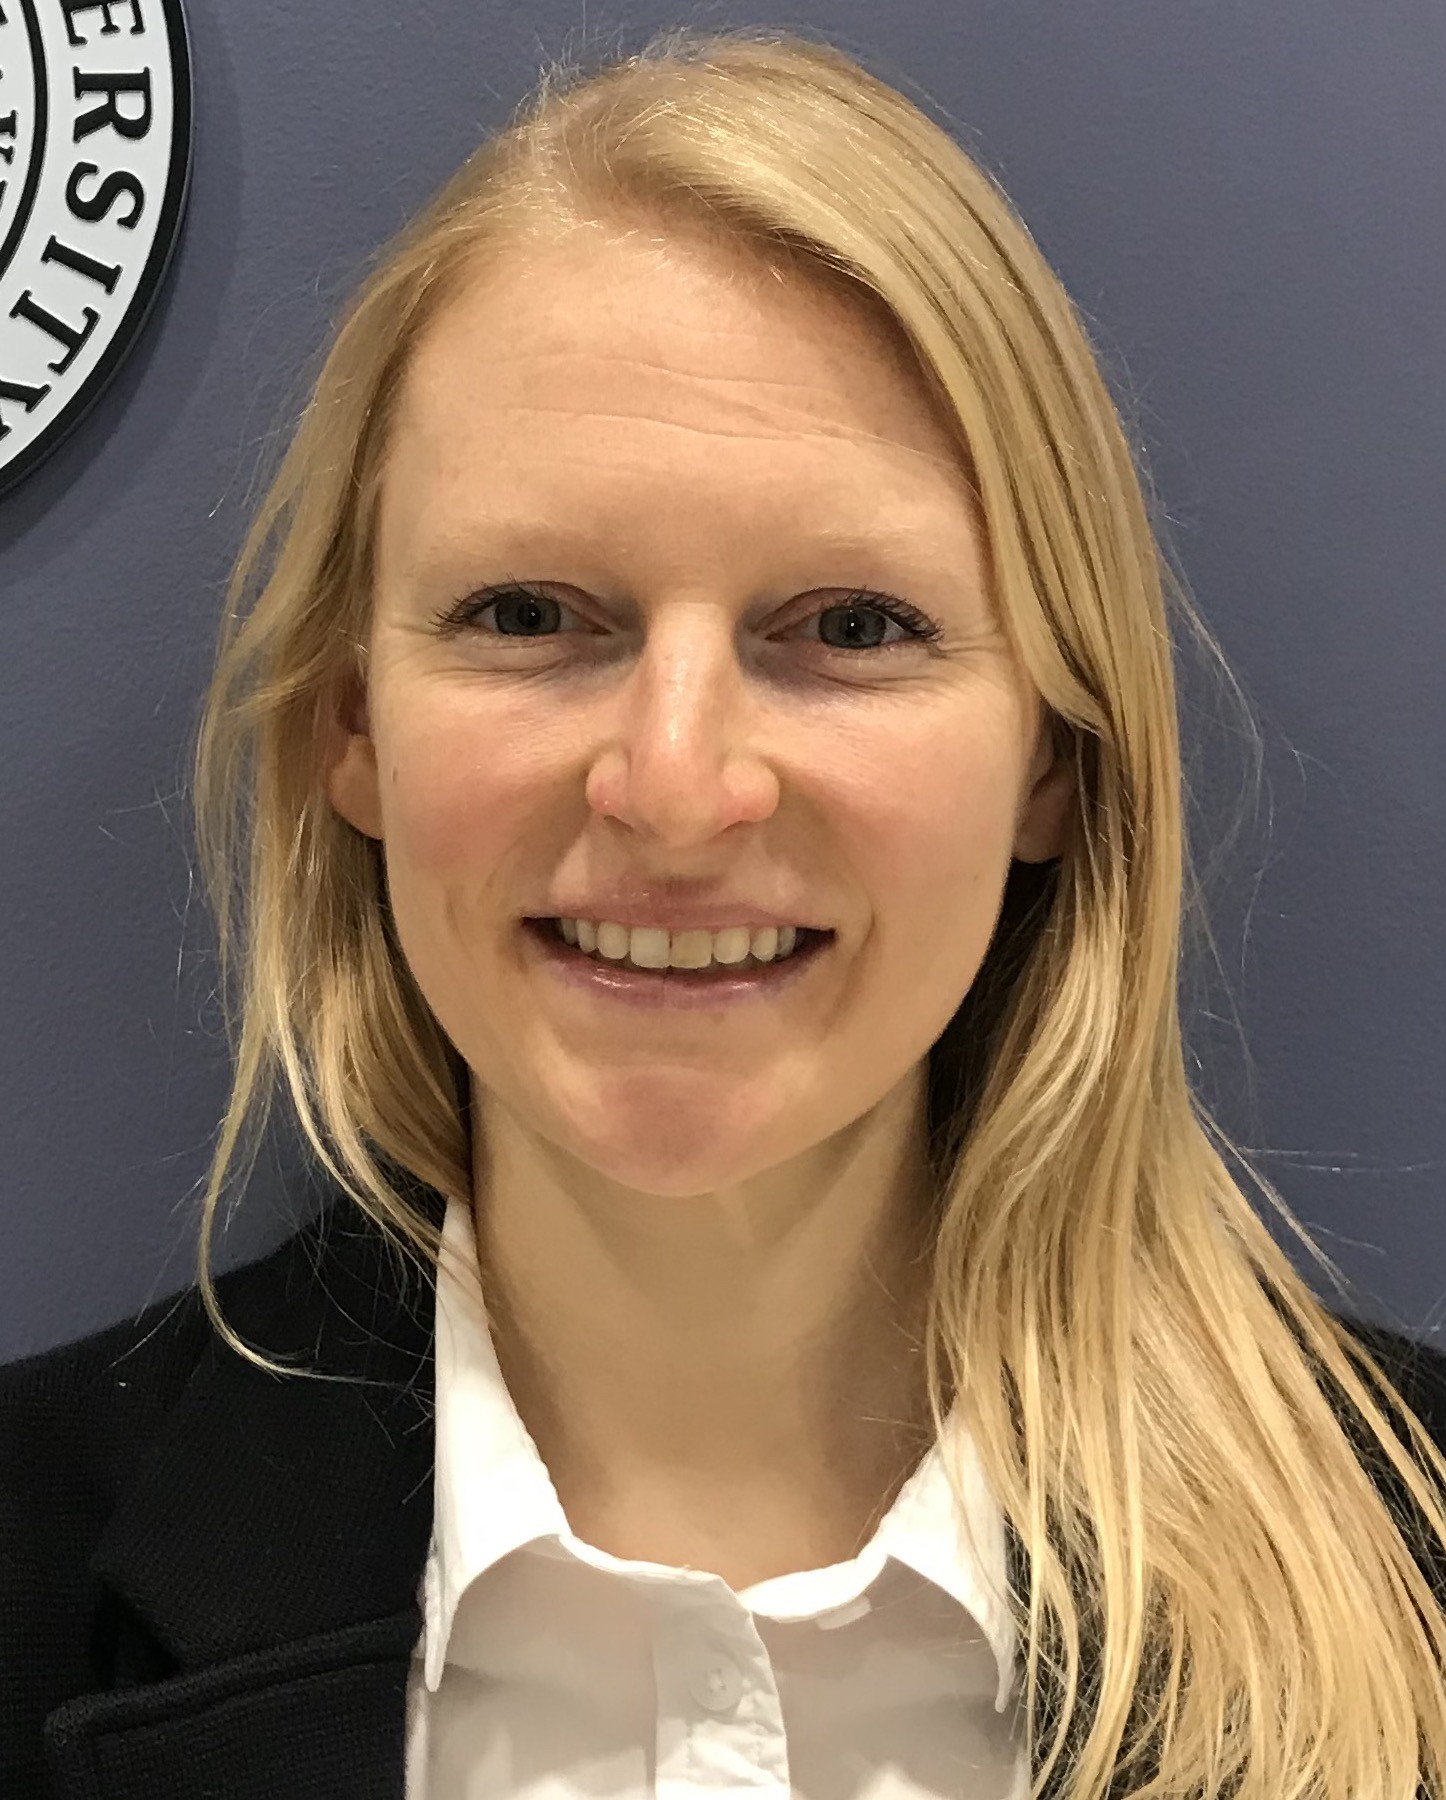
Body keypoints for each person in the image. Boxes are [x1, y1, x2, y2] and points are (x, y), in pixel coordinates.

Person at [3, 23, 1444, 1800]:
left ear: (1053, 764)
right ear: (352, 728)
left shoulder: (1422, 1574)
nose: (677, 789)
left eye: (850, 628)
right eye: (532, 615)